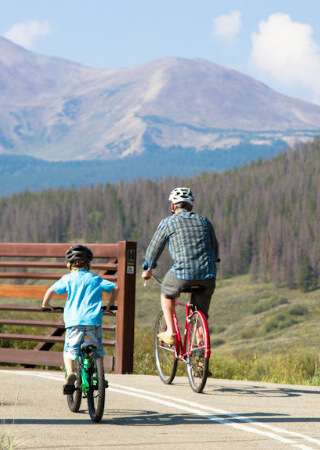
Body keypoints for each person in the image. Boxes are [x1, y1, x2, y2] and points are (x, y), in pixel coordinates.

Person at [142, 187, 219, 345]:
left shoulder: (167, 223)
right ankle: (200, 347)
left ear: (172, 206)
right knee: (200, 312)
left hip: (183, 273)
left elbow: (153, 249)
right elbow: (214, 246)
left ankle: (170, 331)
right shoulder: (205, 222)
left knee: (166, 292)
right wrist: (214, 260)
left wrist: (148, 269)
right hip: (208, 274)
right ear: (191, 206)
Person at [42, 244, 118, 391]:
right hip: (93, 320)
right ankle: (98, 376)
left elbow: (50, 291)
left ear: (69, 264)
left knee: (70, 349)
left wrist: (46, 305)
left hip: (74, 322)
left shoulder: (68, 279)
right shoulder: (96, 279)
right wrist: (110, 305)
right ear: (88, 264)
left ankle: (70, 373)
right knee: (97, 349)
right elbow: (115, 287)